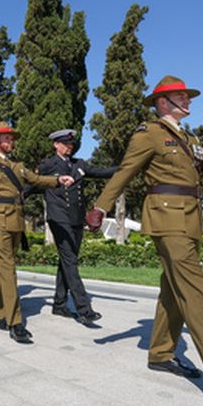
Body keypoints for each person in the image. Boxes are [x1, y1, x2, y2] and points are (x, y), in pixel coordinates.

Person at [85, 75, 203, 404]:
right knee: (194, 292)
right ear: (162, 102)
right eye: (181, 96)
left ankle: (160, 353)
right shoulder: (149, 134)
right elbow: (124, 172)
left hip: (190, 220)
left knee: (173, 291)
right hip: (166, 219)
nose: (188, 101)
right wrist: (100, 207)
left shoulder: (190, 138)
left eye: (187, 96)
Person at [0, 122, 74, 343]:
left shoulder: (17, 165)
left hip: (15, 220)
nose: (10, 142)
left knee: (2, 268)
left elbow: (35, 180)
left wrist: (57, 180)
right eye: (6, 139)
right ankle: (14, 322)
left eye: (12, 138)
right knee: (8, 269)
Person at [30, 129, 117, 325]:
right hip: (58, 218)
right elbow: (33, 184)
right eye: (65, 143)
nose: (69, 147)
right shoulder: (48, 165)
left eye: (71, 144)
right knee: (70, 260)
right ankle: (84, 308)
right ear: (56, 144)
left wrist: (128, 167)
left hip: (77, 219)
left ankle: (59, 304)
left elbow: (102, 173)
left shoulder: (79, 164)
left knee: (67, 260)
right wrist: (16, 197)